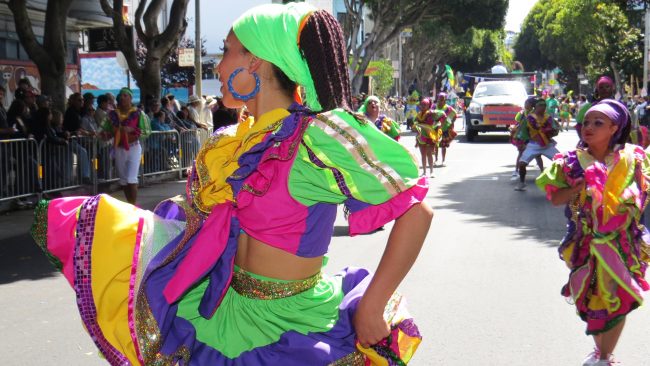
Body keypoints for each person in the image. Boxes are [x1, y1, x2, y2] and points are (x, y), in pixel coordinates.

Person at [31, 4, 432, 365]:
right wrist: (112, 227)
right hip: (225, 310)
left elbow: (417, 210)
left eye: (225, 52)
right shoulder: (228, 143)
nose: (218, 67)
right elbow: (198, 228)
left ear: (255, 61)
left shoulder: (317, 137)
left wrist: (374, 303)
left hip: (296, 324)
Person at [536, 99, 650, 366]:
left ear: (614, 127)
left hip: (624, 244)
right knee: (593, 300)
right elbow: (555, 199)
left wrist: (630, 199)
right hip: (586, 244)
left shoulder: (634, 158)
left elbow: (644, 194)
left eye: (598, 123)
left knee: (621, 297)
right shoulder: (571, 162)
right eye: (586, 122)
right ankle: (600, 353)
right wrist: (579, 187)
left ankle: (605, 356)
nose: (588, 127)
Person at [101, 87, 151, 204]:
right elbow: (104, 130)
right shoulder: (112, 114)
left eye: (125, 95)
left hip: (134, 147)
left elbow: (146, 131)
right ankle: (129, 204)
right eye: (121, 96)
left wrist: (131, 129)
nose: (122, 98)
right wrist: (105, 134)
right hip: (119, 149)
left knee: (131, 178)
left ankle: (133, 206)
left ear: (130, 98)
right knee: (123, 180)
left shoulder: (138, 113)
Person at [515, 98, 560, 191]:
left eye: (545, 106)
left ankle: (562, 183)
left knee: (561, 162)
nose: (543, 108)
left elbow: (555, 129)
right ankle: (522, 183)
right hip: (533, 145)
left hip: (547, 145)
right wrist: (521, 143)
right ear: (536, 107)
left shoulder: (548, 118)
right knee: (522, 164)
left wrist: (552, 131)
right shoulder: (529, 118)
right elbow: (522, 132)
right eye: (541, 106)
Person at [413, 97, 443, 176]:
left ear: (428, 105)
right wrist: (416, 126)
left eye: (425, 105)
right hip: (421, 137)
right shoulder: (418, 114)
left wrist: (436, 126)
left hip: (429, 136)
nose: (422, 106)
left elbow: (441, 116)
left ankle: (432, 171)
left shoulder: (431, 113)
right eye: (421, 104)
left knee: (429, 154)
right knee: (423, 154)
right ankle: (424, 172)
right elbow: (415, 122)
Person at [434, 92, 457, 166]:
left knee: (443, 146)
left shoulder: (448, 108)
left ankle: (443, 160)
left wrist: (451, 123)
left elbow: (454, 115)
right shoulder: (434, 107)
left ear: (445, 100)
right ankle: (436, 159)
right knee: (436, 145)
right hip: (436, 129)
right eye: (439, 99)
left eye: (442, 100)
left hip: (444, 129)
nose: (440, 101)